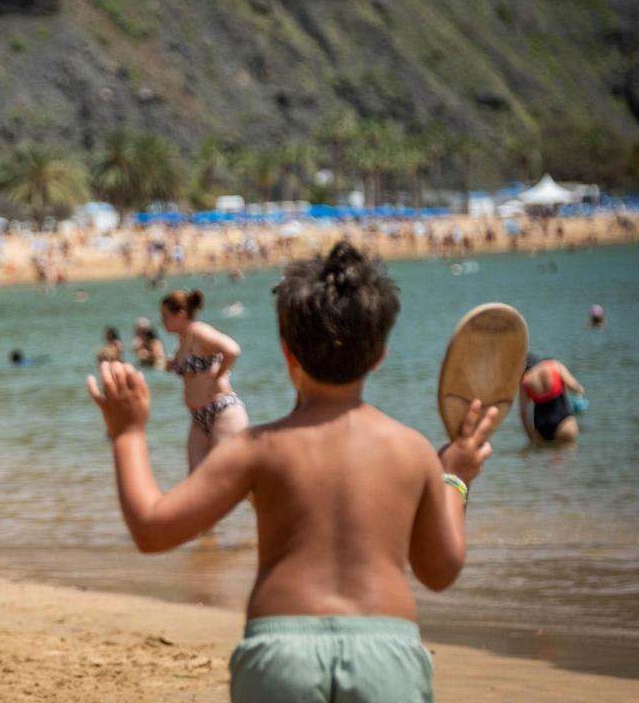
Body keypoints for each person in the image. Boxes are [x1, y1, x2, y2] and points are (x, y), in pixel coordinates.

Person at [87, 241, 501, 702]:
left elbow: (152, 529)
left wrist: (128, 432)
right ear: (381, 353)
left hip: (282, 655)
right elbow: (439, 570)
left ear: (287, 352)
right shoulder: (413, 450)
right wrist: (455, 477)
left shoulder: (257, 449)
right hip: (388, 655)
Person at [160, 289, 248, 473]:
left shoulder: (199, 332)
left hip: (221, 410)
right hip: (198, 417)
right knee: (196, 481)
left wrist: (219, 376)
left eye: (166, 316)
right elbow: (189, 367)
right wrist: (169, 364)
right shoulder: (183, 339)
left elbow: (232, 350)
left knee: (226, 476)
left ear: (181, 315)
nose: (162, 321)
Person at [520, 353, 586, 445]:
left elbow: (523, 412)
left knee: (544, 457)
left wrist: (530, 437)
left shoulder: (526, 380)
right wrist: (581, 391)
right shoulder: (554, 365)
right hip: (563, 423)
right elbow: (573, 386)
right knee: (568, 456)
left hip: (540, 427)